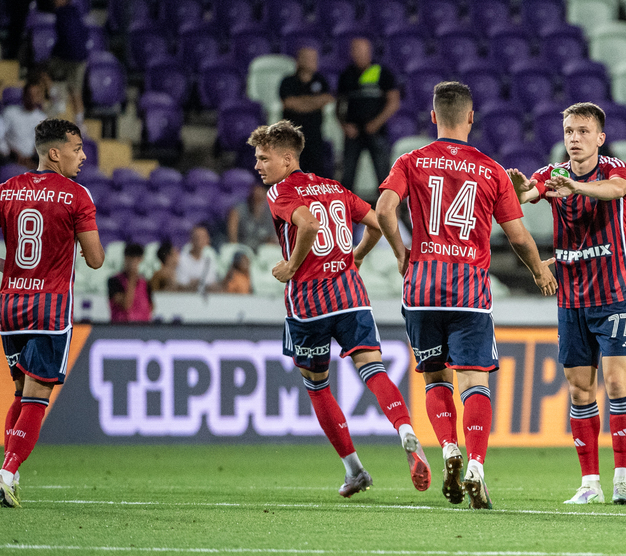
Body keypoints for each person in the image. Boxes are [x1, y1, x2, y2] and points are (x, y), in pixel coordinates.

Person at [377, 82, 557, 510]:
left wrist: (402, 253)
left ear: (433, 117)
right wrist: (538, 270)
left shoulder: (411, 161)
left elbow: (383, 209)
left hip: (421, 288)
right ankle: (475, 464)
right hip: (468, 291)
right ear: (471, 118)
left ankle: (449, 449)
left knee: (435, 378)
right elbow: (518, 235)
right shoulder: (491, 169)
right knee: (474, 382)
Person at [249, 120, 431, 497]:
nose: (258, 166)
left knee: (317, 387)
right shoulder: (334, 187)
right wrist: (357, 256)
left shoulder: (281, 191)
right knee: (374, 370)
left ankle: (355, 470)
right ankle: (405, 429)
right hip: (351, 295)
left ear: (287, 159)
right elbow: (377, 222)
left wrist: (292, 266)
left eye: (264, 158)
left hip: (309, 303)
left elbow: (309, 225)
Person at [0, 118, 104, 508]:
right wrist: (83, 245)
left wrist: (4, 265)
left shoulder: (6, 189)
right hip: (50, 309)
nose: (83, 156)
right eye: (77, 148)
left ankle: (8, 470)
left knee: (21, 393)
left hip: (11, 307)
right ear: (55, 153)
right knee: (37, 398)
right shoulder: (76, 194)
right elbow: (95, 259)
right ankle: (7, 473)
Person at [508, 102, 626, 506]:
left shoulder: (615, 169)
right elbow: (528, 195)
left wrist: (576, 188)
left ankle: (622, 479)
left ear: (600, 138)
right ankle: (590, 483)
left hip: (615, 295)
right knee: (580, 390)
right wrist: (518, 189)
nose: (575, 138)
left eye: (583, 131)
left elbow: (615, 191)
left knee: (616, 383)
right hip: (572, 300)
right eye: (569, 131)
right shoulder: (552, 173)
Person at [337, 36, 400, 196]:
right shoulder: (346, 75)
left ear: (369, 52)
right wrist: (344, 125)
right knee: (347, 178)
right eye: (355, 50)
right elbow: (339, 105)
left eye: (362, 50)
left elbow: (394, 102)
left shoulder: (381, 72)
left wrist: (376, 123)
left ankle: (389, 211)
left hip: (376, 133)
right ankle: (344, 210)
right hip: (353, 134)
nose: (359, 54)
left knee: (384, 178)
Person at [279, 47, 334, 176]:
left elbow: (327, 99)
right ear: (300, 60)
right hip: (293, 138)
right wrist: (315, 103)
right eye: (310, 59)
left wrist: (301, 103)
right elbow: (289, 103)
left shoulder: (321, 80)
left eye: (315, 58)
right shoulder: (288, 82)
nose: (314, 62)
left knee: (316, 175)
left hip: (315, 136)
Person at [48, 0, 88, 126]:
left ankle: (57, 101)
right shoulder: (76, 12)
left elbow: (66, 36)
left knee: (42, 72)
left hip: (69, 56)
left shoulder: (62, 13)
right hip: (79, 56)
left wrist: (55, 53)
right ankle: (80, 123)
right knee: (75, 89)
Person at [3, 81, 48, 168]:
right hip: (11, 157)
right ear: (24, 95)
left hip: (32, 159)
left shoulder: (42, 118)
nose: (33, 98)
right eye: (30, 94)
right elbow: (1, 137)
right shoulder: (10, 112)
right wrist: (13, 153)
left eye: (36, 95)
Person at [108, 242, 153, 322]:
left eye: (137, 260)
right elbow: (126, 305)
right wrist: (132, 279)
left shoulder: (145, 283)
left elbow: (150, 308)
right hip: (122, 326)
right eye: (131, 259)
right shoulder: (114, 281)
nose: (134, 263)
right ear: (126, 258)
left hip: (142, 326)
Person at [226, 185, 276, 251]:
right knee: (230, 249)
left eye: (260, 198)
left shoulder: (271, 213)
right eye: (255, 198)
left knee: (273, 251)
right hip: (242, 248)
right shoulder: (239, 210)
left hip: (261, 250)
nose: (257, 201)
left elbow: (273, 239)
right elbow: (232, 240)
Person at [176, 225, 219, 292]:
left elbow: (211, 282)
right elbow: (181, 283)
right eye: (197, 237)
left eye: (203, 237)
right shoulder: (181, 260)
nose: (199, 240)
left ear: (207, 240)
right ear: (191, 239)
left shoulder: (209, 260)